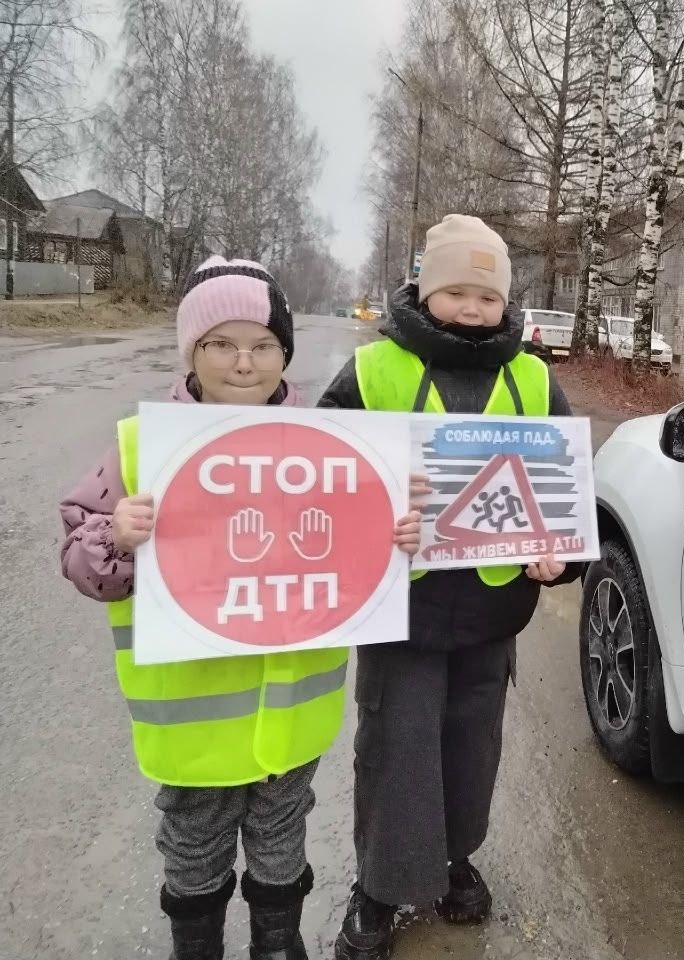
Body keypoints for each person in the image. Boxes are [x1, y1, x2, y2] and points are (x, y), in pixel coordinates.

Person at [58, 256, 423, 960]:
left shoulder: (329, 451)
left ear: (285, 353)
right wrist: (117, 536)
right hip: (194, 726)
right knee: (193, 840)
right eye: (220, 343)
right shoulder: (139, 449)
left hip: (290, 715)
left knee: (283, 835)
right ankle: (196, 946)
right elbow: (81, 558)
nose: (244, 362)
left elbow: (354, 556)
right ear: (190, 351)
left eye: (263, 344)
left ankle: (277, 944)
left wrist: (398, 537)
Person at [317, 215, 583, 960]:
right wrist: (376, 509)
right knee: (397, 745)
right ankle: (378, 887)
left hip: (493, 610)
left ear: (506, 303)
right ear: (426, 289)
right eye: (455, 292)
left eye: (486, 296)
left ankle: (454, 858)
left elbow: (565, 491)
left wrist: (562, 556)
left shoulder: (533, 376)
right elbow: (317, 475)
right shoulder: (374, 370)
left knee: (473, 746)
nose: (471, 309)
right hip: (401, 604)